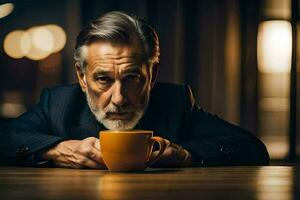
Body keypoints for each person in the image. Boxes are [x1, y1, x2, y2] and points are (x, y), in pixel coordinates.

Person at [0, 11, 269, 168]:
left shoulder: (175, 103)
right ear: (82, 77)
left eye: (131, 79)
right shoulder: (58, 104)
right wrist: (58, 150)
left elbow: (252, 148)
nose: (118, 99)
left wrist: (185, 155)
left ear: (151, 76)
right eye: (103, 79)